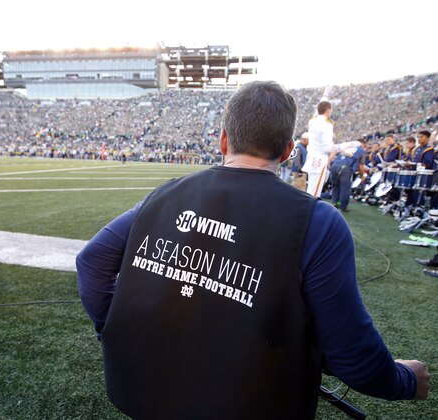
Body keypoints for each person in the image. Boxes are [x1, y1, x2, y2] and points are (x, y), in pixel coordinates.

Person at [76, 81, 430, 419]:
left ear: (223, 140)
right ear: (289, 150)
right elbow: (351, 354)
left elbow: (92, 261)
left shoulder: (162, 195)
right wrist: (406, 380)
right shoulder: (318, 221)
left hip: (145, 396)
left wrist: (115, 328)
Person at [304, 100, 335, 197]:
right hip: (320, 159)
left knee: (311, 188)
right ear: (328, 110)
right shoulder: (327, 124)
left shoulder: (313, 121)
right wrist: (335, 148)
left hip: (311, 156)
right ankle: (308, 211)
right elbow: (327, 147)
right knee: (315, 191)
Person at [328, 139, 367, 211]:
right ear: (363, 144)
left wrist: (329, 162)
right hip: (345, 168)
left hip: (335, 165)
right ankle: (342, 206)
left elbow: (334, 150)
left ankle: (335, 204)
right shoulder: (361, 150)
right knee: (344, 188)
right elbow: (361, 166)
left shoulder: (346, 146)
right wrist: (362, 176)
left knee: (336, 186)